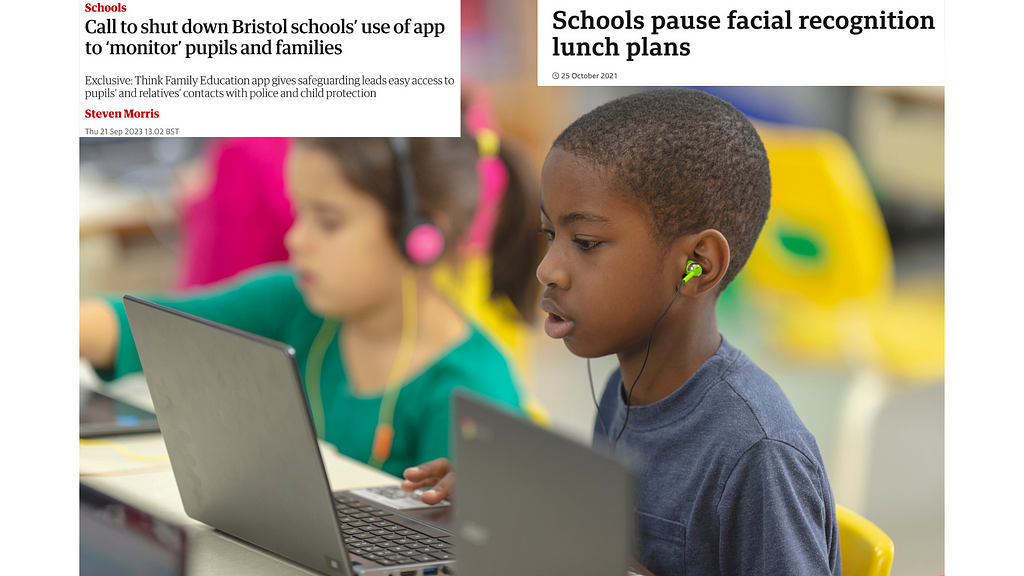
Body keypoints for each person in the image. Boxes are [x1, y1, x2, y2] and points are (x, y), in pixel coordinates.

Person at [401, 89, 842, 575]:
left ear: (697, 265)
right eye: (552, 236)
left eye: (586, 243)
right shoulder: (622, 393)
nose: (549, 269)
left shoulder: (759, 454)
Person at [80, 135, 544, 478]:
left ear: (420, 236)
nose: (295, 238)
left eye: (328, 221)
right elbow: (136, 325)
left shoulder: (471, 388)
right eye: (299, 212)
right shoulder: (291, 304)